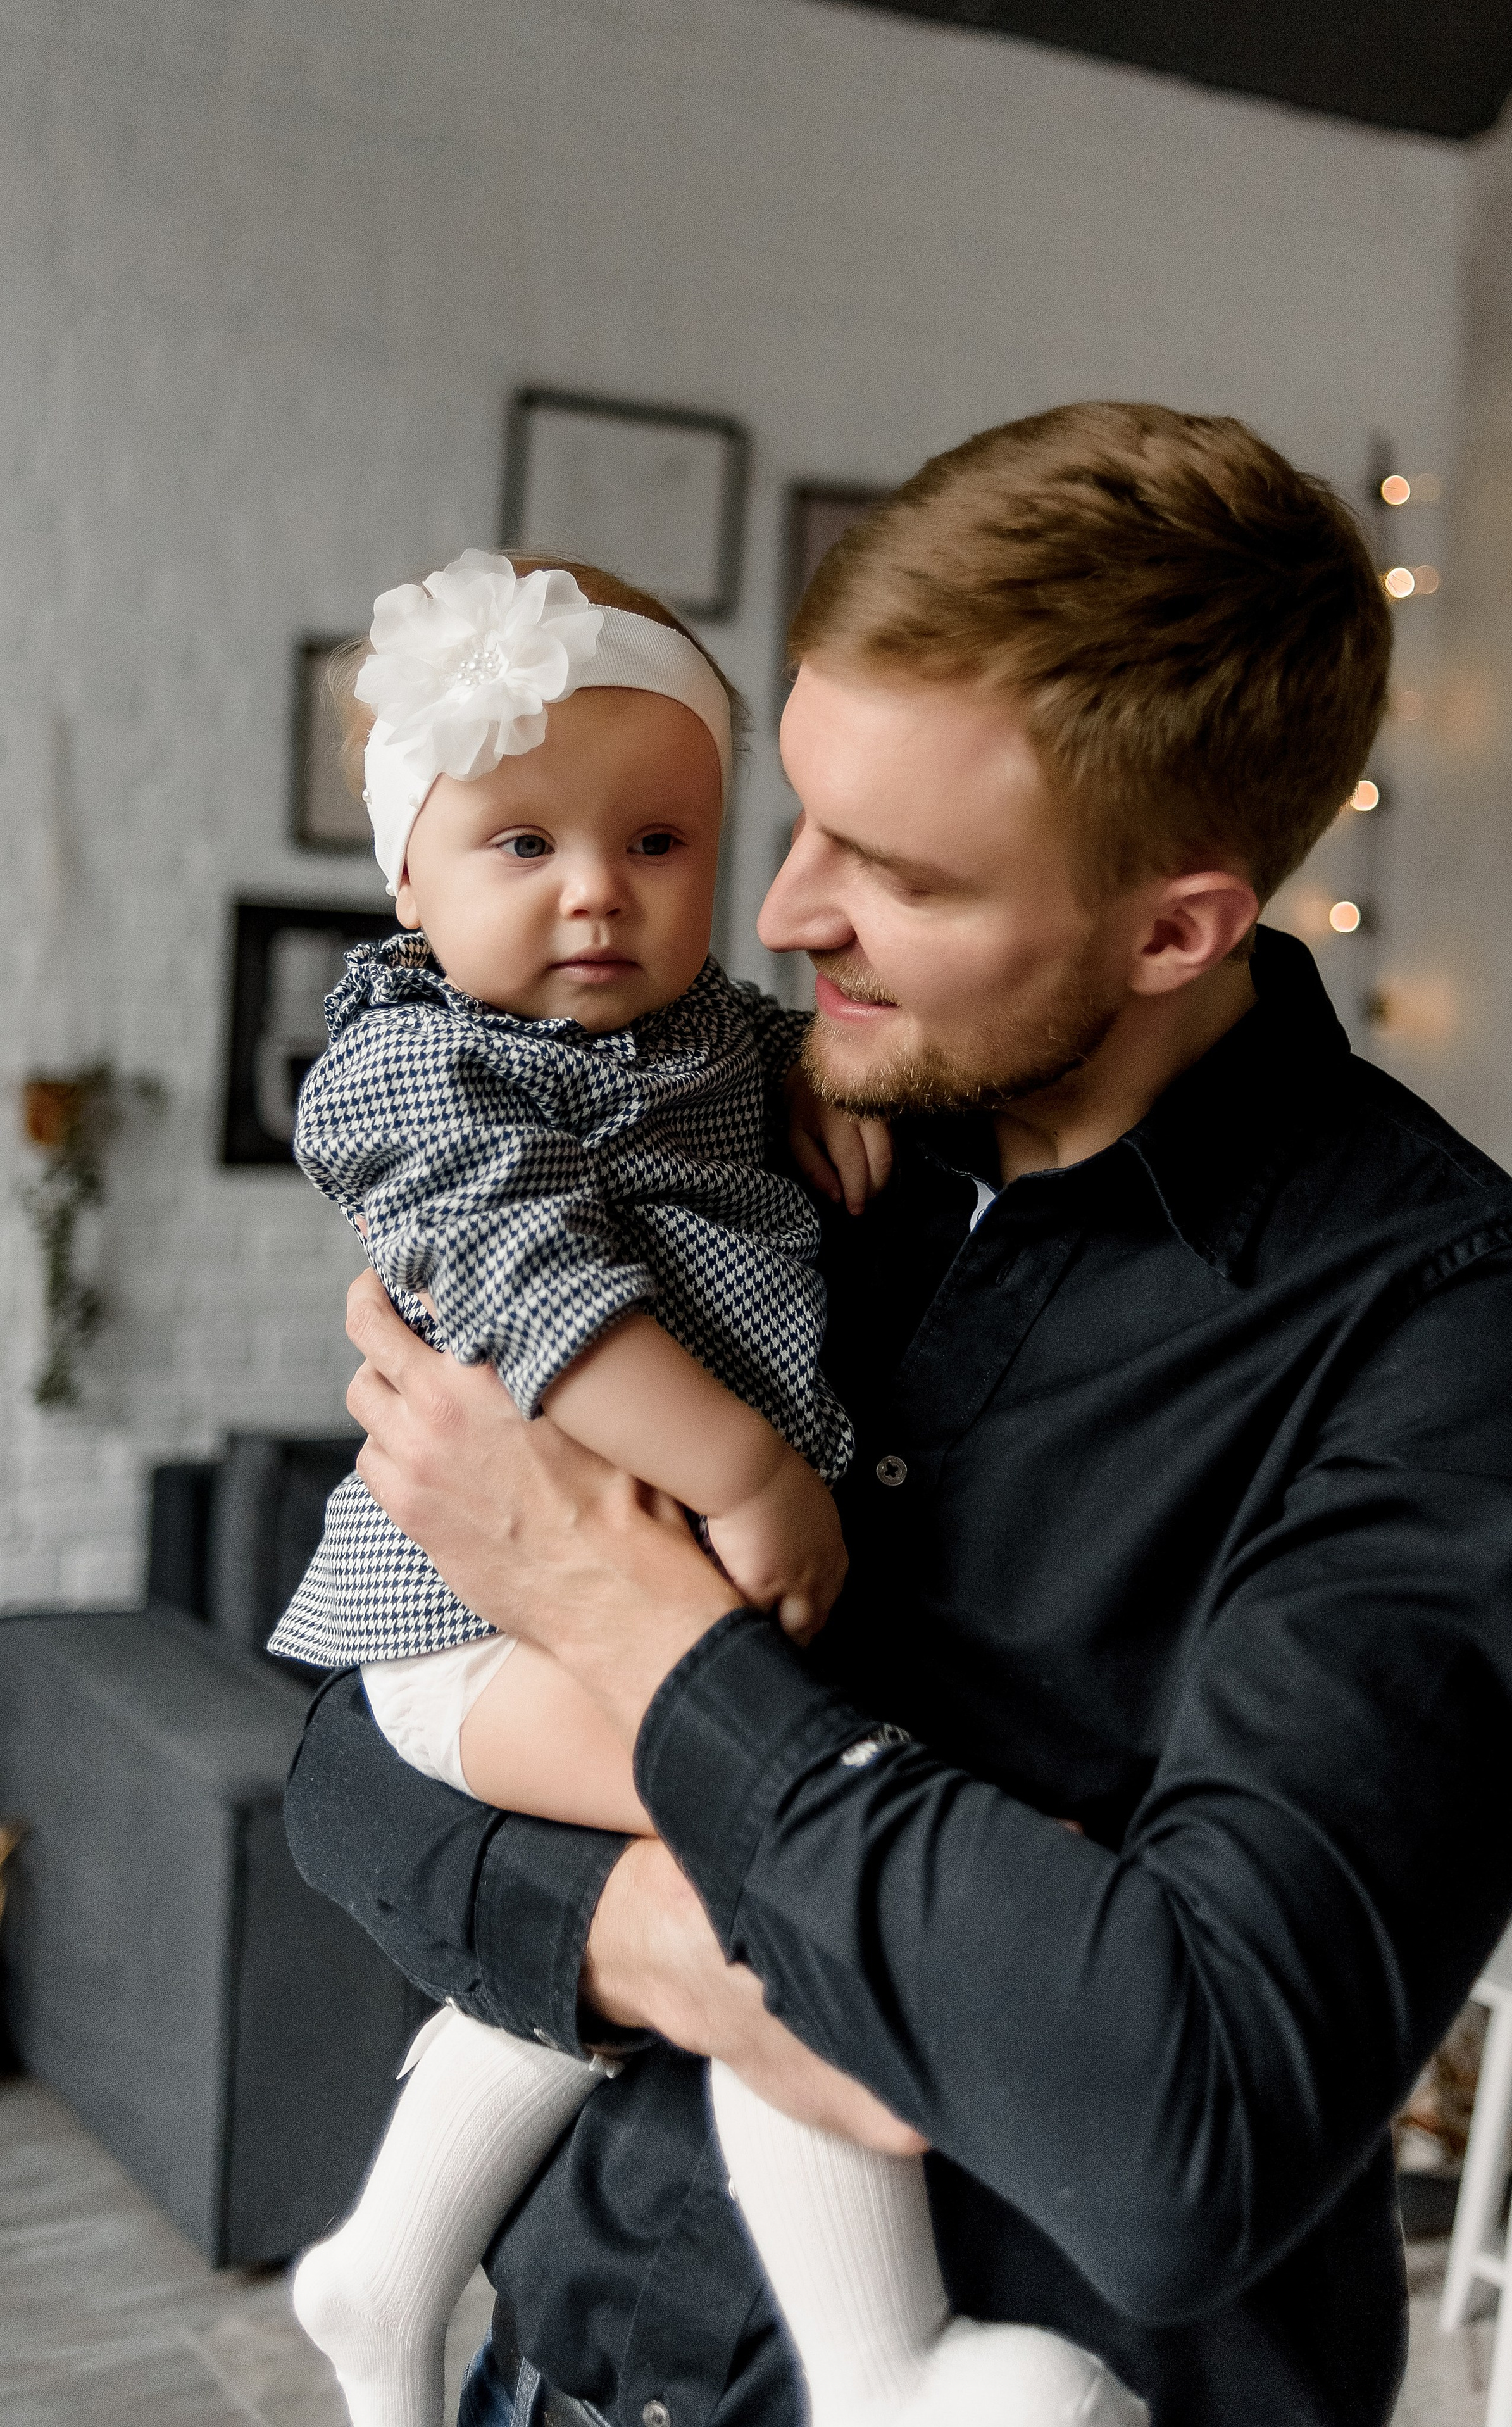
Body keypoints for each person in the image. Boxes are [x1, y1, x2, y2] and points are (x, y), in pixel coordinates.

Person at [284, 402, 1512, 2427]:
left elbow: (1188, 2130)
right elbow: (349, 1774)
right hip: (557, 2372)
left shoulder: (1473, 1332)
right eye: (796, 815)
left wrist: (641, 1630)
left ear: (1179, 923)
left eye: (894, 870)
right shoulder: (758, 1149)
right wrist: (656, 1931)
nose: (791, 913)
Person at [271, 546, 1134, 2427]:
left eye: (660, 842)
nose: (600, 891)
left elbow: (778, 1038)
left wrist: (837, 1074)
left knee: (696, 1877)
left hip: (601, 1616)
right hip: (465, 1630)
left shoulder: (706, 1040)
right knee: (793, 1863)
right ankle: (884, 2357)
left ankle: (390, 2265)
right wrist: (749, 1472)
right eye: (521, 847)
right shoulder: (410, 1068)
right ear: (405, 873)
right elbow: (533, 1291)